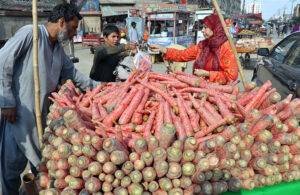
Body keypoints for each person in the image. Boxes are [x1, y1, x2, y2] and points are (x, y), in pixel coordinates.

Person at [0, 3, 100, 194]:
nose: (74, 33)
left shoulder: (59, 51)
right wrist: (6, 101)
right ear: (62, 22)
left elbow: (76, 76)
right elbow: (2, 62)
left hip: (41, 118)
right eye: (73, 28)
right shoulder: (31, 34)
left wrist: (102, 88)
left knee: (42, 169)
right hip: (18, 115)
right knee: (11, 170)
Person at [149, 14, 238, 85]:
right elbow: (184, 54)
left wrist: (208, 74)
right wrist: (163, 49)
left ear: (215, 29)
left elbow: (231, 76)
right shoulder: (204, 45)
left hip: (220, 93)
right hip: (199, 88)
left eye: (205, 27)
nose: (202, 30)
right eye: (202, 27)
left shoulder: (227, 47)